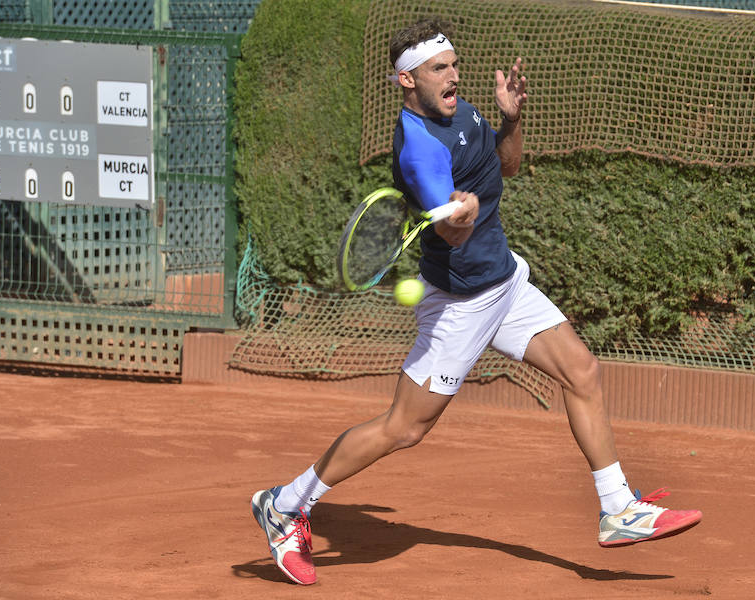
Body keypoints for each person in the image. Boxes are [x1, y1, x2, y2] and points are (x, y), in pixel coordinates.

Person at [250, 18, 702, 586]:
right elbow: (453, 236)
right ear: (406, 80)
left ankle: (618, 509)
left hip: (505, 282)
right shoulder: (419, 151)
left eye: (455, 64)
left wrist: (511, 119)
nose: (453, 76)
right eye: (440, 69)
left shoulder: (463, 112)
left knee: (582, 370)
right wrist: (457, 216)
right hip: (459, 303)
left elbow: (505, 167)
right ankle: (287, 504)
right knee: (404, 429)